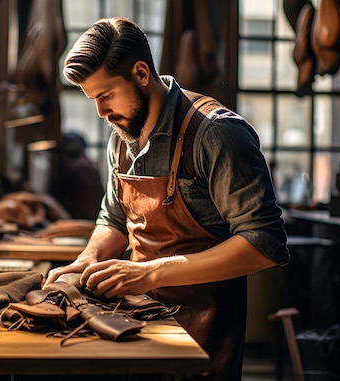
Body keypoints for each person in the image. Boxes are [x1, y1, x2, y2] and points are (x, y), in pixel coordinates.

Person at [44, 17, 290, 380]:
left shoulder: (216, 133)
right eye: (92, 99)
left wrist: (150, 272)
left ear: (141, 73)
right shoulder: (122, 138)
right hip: (140, 321)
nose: (101, 112)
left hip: (203, 335)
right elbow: (113, 220)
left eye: (106, 95)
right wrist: (87, 261)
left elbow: (265, 243)